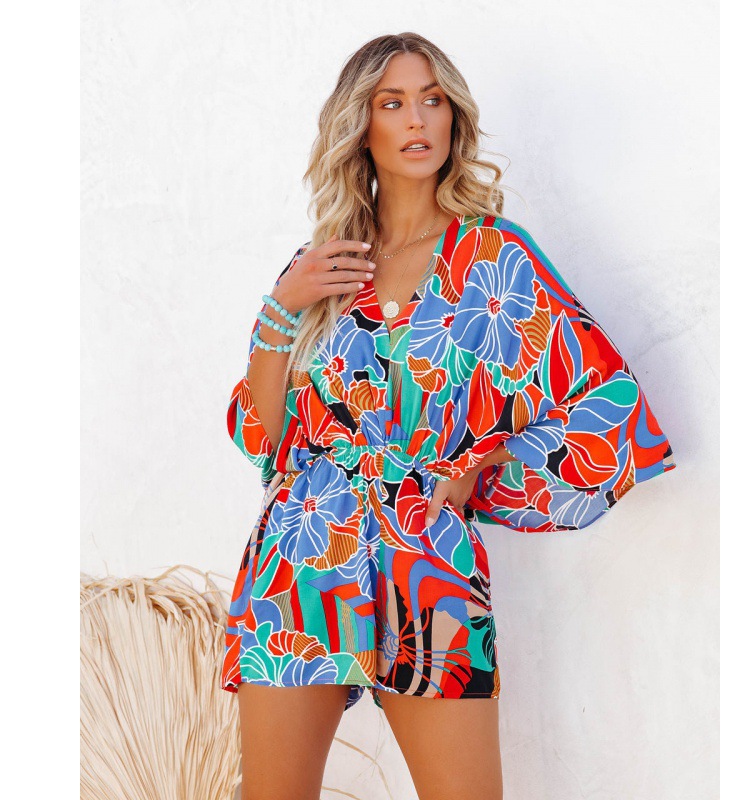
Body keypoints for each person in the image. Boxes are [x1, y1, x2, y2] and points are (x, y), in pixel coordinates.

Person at [220, 32, 676, 800]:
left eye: (432, 100)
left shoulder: (495, 257)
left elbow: (606, 401)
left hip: (425, 552)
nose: (417, 119)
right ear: (360, 125)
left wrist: (485, 461)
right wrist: (280, 308)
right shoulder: (324, 264)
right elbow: (264, 439)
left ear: (454, 117)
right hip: (303, 552)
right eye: (393, 102)